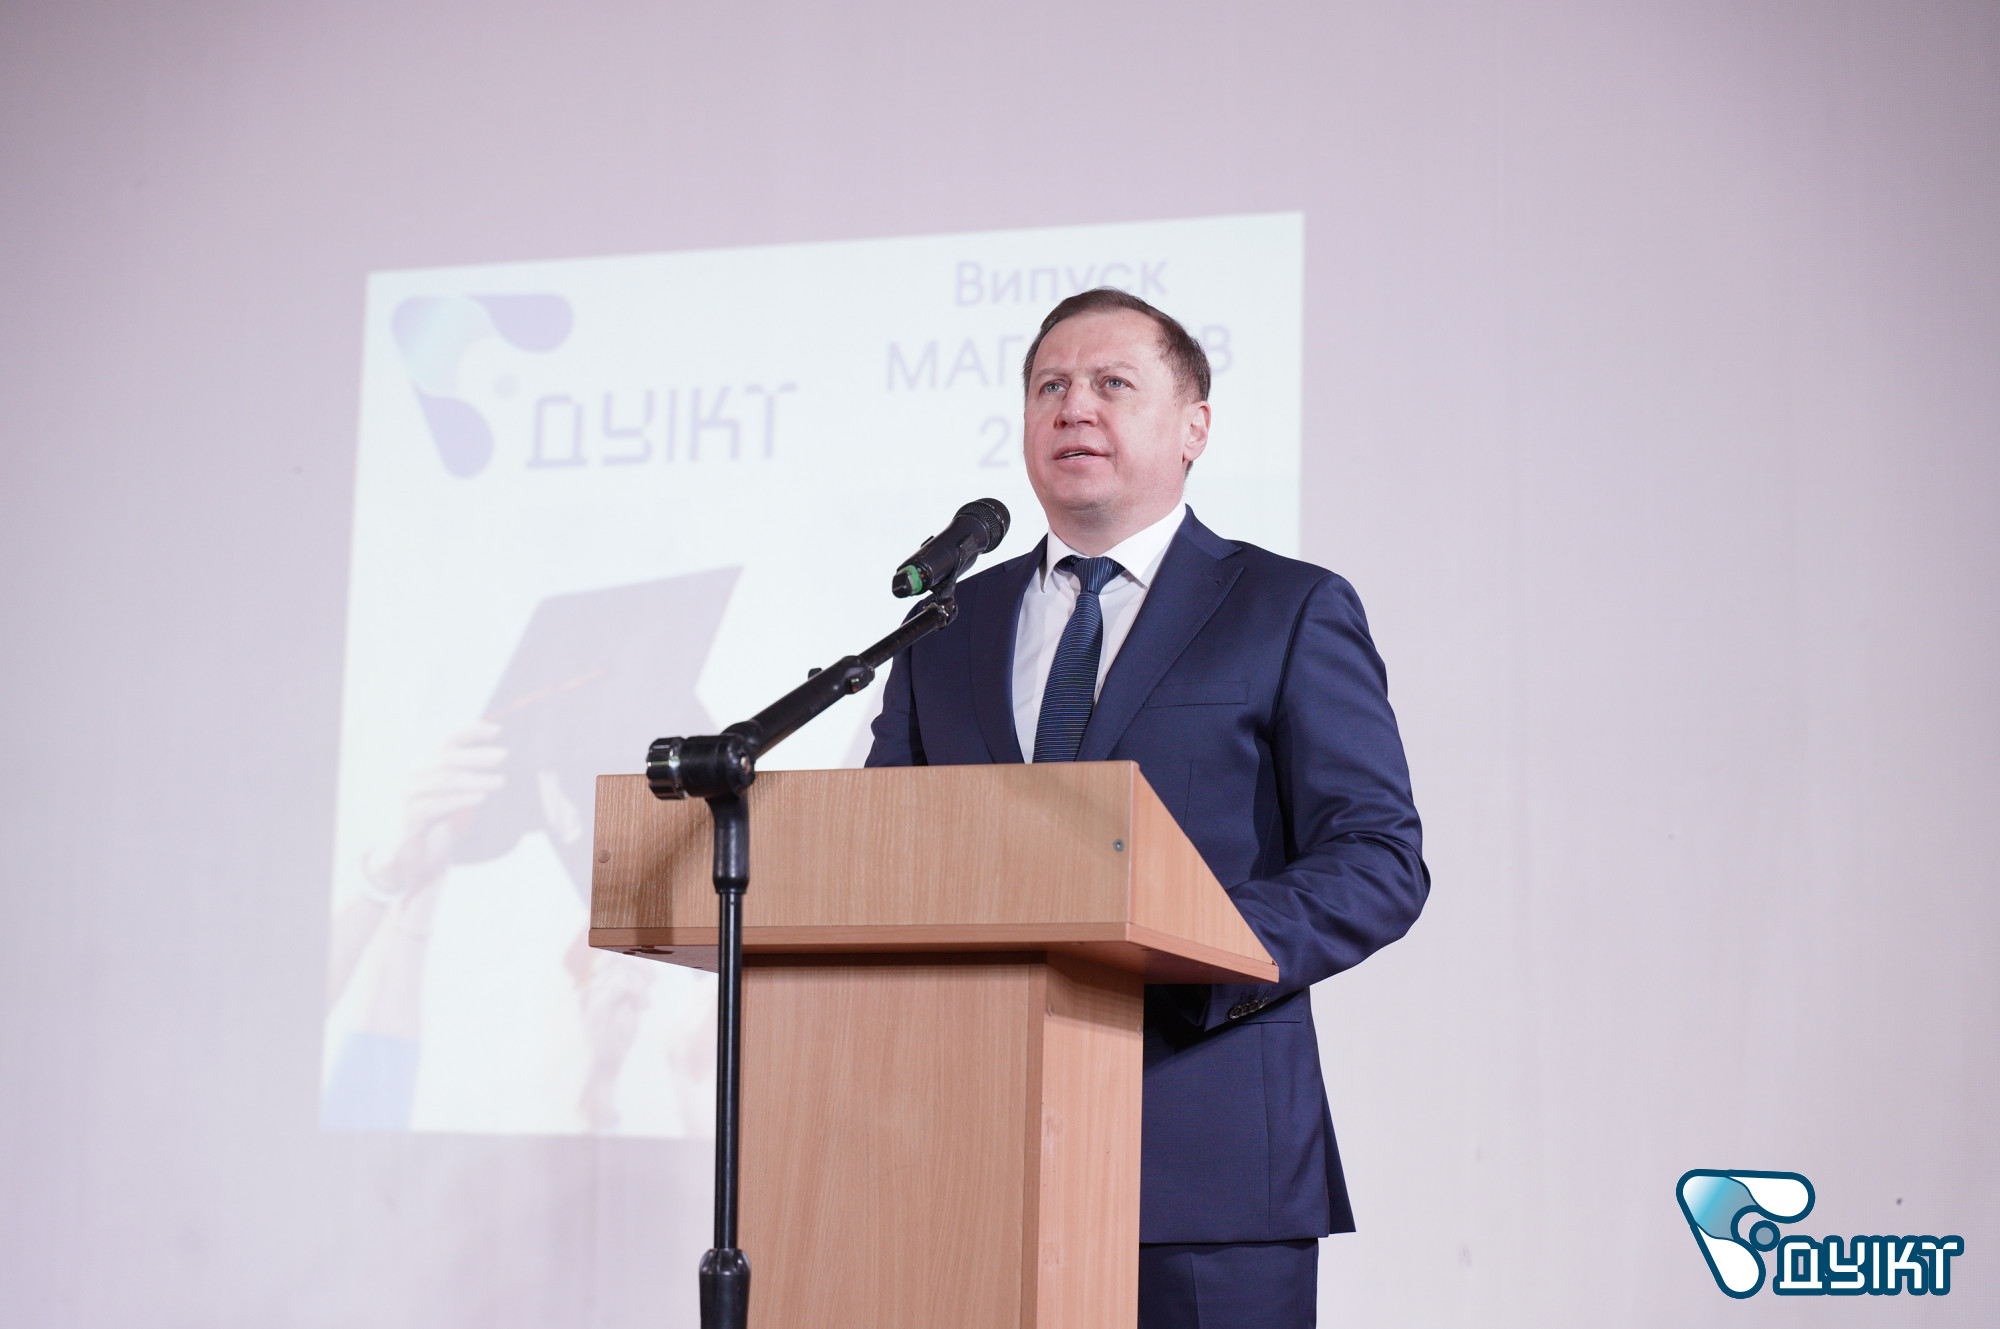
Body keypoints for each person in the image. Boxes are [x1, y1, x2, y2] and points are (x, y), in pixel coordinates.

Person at [866, 288, 1428, 1328]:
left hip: (1205, 1161)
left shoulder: (1286, 606)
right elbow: (882, 851)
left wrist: (1182, 941)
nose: (1072, 407)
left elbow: (1376, 858)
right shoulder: (946, 624)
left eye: (1111, 384)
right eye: (1049, 386)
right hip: (968, 1161)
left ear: (1193, 427)